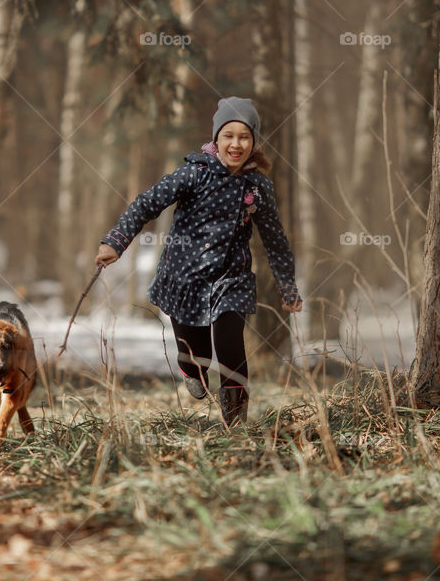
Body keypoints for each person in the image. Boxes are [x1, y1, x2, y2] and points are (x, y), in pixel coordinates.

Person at [94, 97, 303, 427]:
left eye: (244, 137)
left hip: (231, 280)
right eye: (229, 136)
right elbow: (145, 205)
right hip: (185, 280)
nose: (236, 144)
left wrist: (287, 285)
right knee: (197, 354)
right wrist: (115, 243)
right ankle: (192, 368)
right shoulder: (193, 174)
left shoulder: (258, 186)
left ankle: (236, 425)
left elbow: (275, 240)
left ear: (254, 142)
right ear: (216, 139)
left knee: (231, 345)